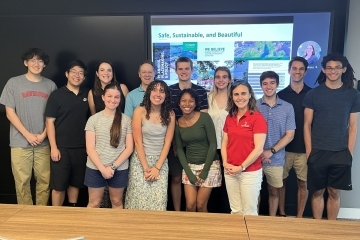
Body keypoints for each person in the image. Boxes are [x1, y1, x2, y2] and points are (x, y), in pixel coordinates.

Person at [303, 53, 360, 220]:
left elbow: (353, 126)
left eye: (337, 68)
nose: (333, 71)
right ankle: (318, 227)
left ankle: (331, 228)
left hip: (340, 152)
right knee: (317, 191)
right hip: (318, 151)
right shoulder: (313, 94)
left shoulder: (353, 95)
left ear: (343, 69)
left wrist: (349, 153)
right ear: (323, 70)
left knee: (334, 191)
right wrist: (309, 152)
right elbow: (307, 125)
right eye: (329, 68)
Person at [0, 48, 57, 205]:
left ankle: (41, 216)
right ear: (25, 63)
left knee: (45, 182)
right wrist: (27, 135)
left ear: (44, 64)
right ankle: (25, 216)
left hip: (43, 142)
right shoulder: (14, 82)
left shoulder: (50, 85)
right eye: (32, 60)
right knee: (22, 183)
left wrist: (44, 135)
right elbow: (9, 112)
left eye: (40, 60)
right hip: (20, 142)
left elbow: (53, 115)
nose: (36, 63)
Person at [125, 80, 175, 210]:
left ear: (166, 95)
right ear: (149, 93)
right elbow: (137, 142)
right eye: (154, 90)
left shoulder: (170, 114)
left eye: (162, 91)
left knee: (158, 203)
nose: (158, 94)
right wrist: (146, 168)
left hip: (160, 162)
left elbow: (167, 142)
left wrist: (157, 168)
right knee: (137, 202)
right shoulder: (139, 111)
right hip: (140, 161)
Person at [45, 60, 89, 207]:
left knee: (75, 184)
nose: (77, 75)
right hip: (61, 149)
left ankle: (72, 213)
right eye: (74, 72)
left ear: (84, 77)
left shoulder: (87, 94)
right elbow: (50, 122)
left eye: (81, 73)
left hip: (82, 149)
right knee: (58, 187)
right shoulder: (56, 95)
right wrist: (54, 147)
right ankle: (55, 217)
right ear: (67, 74)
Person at [168, 56, 208, 211]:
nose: (183, 71)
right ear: (176, 71)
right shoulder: (169, 90)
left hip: (196, 143)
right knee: (177, 177)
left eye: (187, 68)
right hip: (174, 143)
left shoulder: (200, 91)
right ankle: (178, 212)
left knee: (197, 179)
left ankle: (196, 213)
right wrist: (176, 142)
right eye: (180, 69)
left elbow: (203, 117)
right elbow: (168, 116)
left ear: (192, 70)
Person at [87, 61, 129, 208]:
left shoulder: (126, 120)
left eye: (116, 97)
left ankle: (117, 231)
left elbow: (129, 148)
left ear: (121, 98)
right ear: (103, 97)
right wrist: (102, 168)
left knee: (117, 202)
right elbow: (90, 148)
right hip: (95, 166)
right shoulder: (93, 120)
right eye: (109, 96)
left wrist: (112, 167)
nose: (113, 100)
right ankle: (90, 231)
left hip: (119, 168)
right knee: (94, 203)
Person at [221, 82, 267, 215]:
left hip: (250, 172)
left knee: (250, 212)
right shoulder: (230, 117)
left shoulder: (257, 118)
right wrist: (225, 163)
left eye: (243, 93)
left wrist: (241, 167)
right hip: (230, 171)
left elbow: (258, 149)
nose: (240, 97)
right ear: (232, 97)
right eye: (236, 94)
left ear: (250, 95)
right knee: (235, 211)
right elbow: (224, 142)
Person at [256, 71, 295, 216]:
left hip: (276, 158)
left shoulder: (287, 107)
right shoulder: (254, 106)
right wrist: (260, 153)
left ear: (277, 84)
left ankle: (272, 220)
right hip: (255, 158)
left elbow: (290, 135)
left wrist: (270, 151)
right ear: (261, 86)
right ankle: (255, 221)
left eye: (272, 83)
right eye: (265, 83)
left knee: (274, 191)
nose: (268, 86)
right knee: (255, 191)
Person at [175, 89, 220, 212]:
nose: (187, 104)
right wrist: (189, 173)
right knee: (190, 205)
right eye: (183, 101)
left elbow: (213, 144)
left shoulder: (205, 117)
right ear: (179, 104)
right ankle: (189, 231)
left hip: (209, 165)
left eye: (191, 101)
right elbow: (179, 149)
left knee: (200, 205)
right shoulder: (178, 123)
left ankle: (205, 231)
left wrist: (205, 171)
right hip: (190, 166)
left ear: (195, 103)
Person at [277, 57, 311, 218]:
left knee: (303, 183)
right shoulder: (281, 95)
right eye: (294, 68)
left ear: (305, 71)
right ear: (289, 70)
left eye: (301, 69)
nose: (297, 72)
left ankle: (299, 217)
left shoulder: (312, 94)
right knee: (281, 182)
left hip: (304, 149)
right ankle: (282, 213)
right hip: (284, 148)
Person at [208, 66, 232, 213]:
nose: (221, 80)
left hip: (230, 147)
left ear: (229, 79)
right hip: (211, 146)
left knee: (229, 182)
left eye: (224, 77)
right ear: (214, 79)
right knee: (213, 183)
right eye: (218, 77)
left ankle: (227, 214)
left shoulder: (235, 98)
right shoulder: (208, 97)